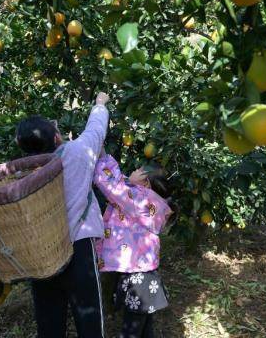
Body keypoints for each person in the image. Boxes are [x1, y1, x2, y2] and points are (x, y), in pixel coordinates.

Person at [15, 92, 110, 338]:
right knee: (90, 321)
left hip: (42, 254)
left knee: (49, 323)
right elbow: (96, 130)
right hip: (79, 248)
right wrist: (99, 104)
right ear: (57, 137)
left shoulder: (22, 174)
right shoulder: (78, 152)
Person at [93, 153, 173, 338]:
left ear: (145, 184)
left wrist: (98, 154)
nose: (134, 170)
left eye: (139, 171)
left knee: (131, 331)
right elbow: (120, 185)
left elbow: (112, 186)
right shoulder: (149, 202)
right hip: (143, 276)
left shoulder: (140, 201)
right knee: (144, 330)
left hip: (140, 281)